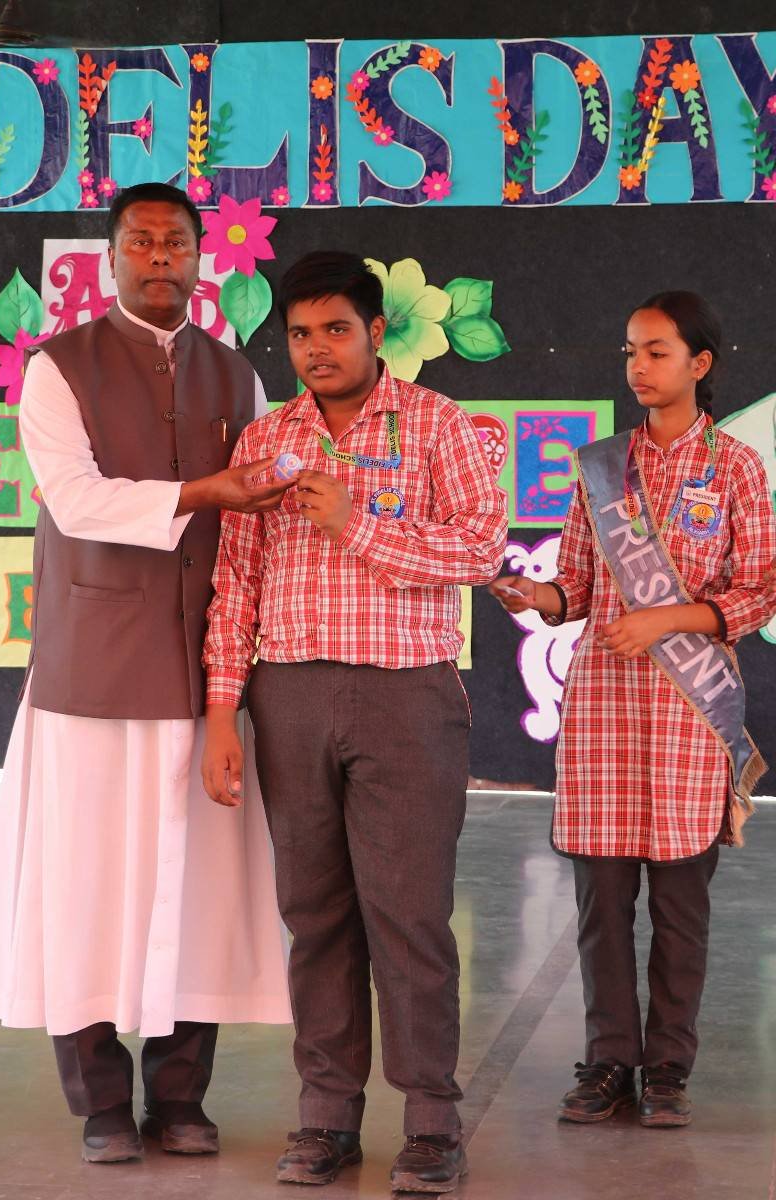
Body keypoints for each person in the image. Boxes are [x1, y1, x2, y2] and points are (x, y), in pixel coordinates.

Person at [0, 182, 293, 1164]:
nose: (159, 257)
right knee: (84, 887)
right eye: (141, 242)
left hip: (205, 679)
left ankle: (180, 1097)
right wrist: (204, 489)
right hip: (92, 678)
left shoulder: (237, 375)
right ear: (109, 259)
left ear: (201, 260)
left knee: (200, 891)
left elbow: (257, 517)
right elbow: (75, 501)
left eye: (176, 243)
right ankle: (102, 1104)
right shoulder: (56, 368)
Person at [201, 251, 507, 1192]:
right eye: (300, 334)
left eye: (336, 329)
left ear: (377, 332)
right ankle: (326, 1117)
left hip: (406, 696)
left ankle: (432, 1123)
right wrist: (222, 712)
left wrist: (356, 522)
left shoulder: (438, 423)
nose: (317, 349)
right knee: (315, 915)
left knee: (408, 916)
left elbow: (482, 547)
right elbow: (235, 585)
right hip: (288, 696)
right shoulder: (266, 441)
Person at [491, 291, 776, 1128]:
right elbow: (577, 586)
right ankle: (608, 1062)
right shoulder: (602, 467)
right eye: (630, 352)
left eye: (656, 352)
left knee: (682, 908)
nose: (638, 368)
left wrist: (665, 619)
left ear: (700, 362)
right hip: (603, 711)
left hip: (690, 709)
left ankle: (670, 1072)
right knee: (600, 905)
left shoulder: (736, 468)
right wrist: (537, 595)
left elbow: (758, 591)